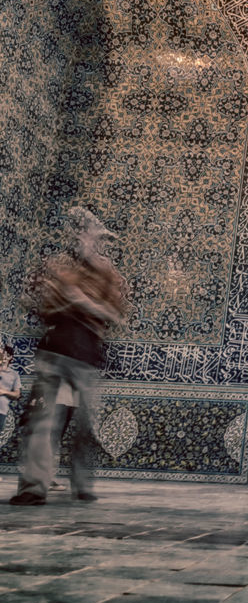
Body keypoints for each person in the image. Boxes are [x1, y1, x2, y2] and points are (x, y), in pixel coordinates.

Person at [9, 208, 128, 506]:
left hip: (86, 357)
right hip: (53, 351)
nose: (82, 238)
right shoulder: (57, 267)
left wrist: (82, 302)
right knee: (42, 421)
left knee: (86, 425)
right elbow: (34, 302)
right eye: (78, 232)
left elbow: (116, 315)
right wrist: (48, 299)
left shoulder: (107, 273)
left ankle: (82, 484)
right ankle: (33, 488)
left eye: (87, 233)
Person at [0, 342, 21, 430]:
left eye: (7, 355)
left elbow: (17, 394)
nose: (4, 357)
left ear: (11, 357)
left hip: (1, 411)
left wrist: (3, 391)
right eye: (2, 354)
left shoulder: (14, 374)